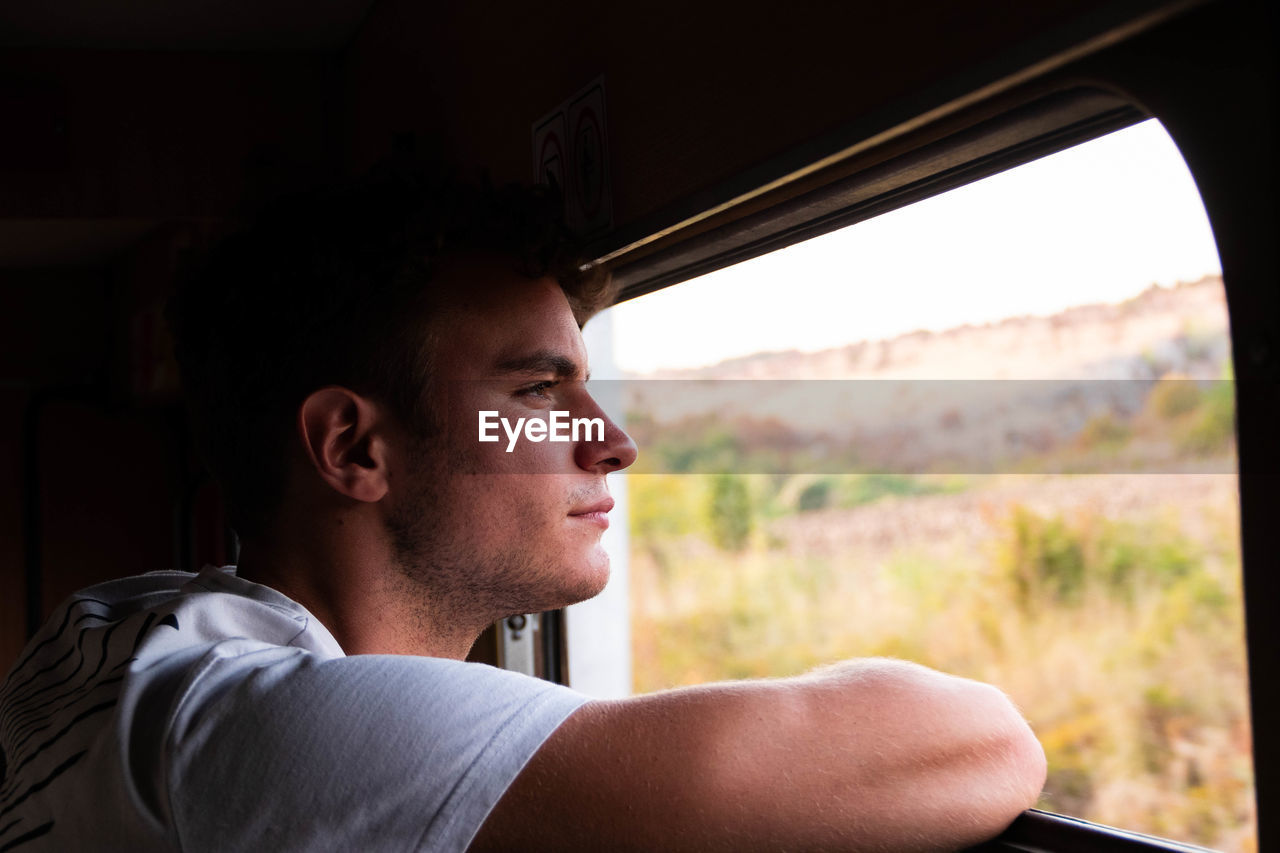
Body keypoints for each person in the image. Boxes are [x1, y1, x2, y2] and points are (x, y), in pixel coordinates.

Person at [0, 168, 1046, 852]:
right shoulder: (274, 733)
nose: (613, 441)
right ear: (354, 447)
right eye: (537, 395)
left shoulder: (123, 627)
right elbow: (980, 743)